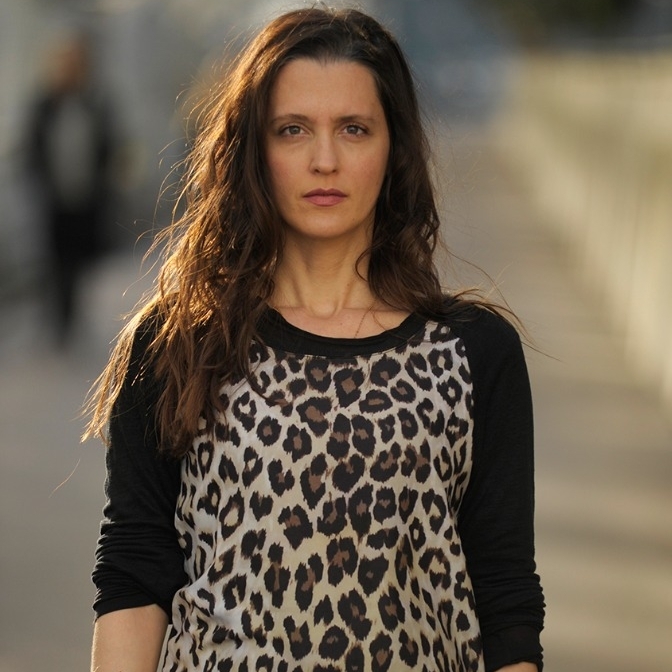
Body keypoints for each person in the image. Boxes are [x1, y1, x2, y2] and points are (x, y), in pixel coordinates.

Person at [85, 7, 544, 672]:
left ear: (394, 147)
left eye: (354, 129)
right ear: (254, 149)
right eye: (293, 130)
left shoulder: (474, 354)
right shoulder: (178, 343)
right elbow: (134, 572)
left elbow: (506, 600)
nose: (324, 160)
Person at [27, 31, 114, 346]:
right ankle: (59, 322)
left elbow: (108, 145)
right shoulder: (44, 105)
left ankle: (73, 317)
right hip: (55, 199)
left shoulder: (95, 103)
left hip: (87, 198)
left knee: (80, 262)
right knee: (56, 261)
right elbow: (32, 149)